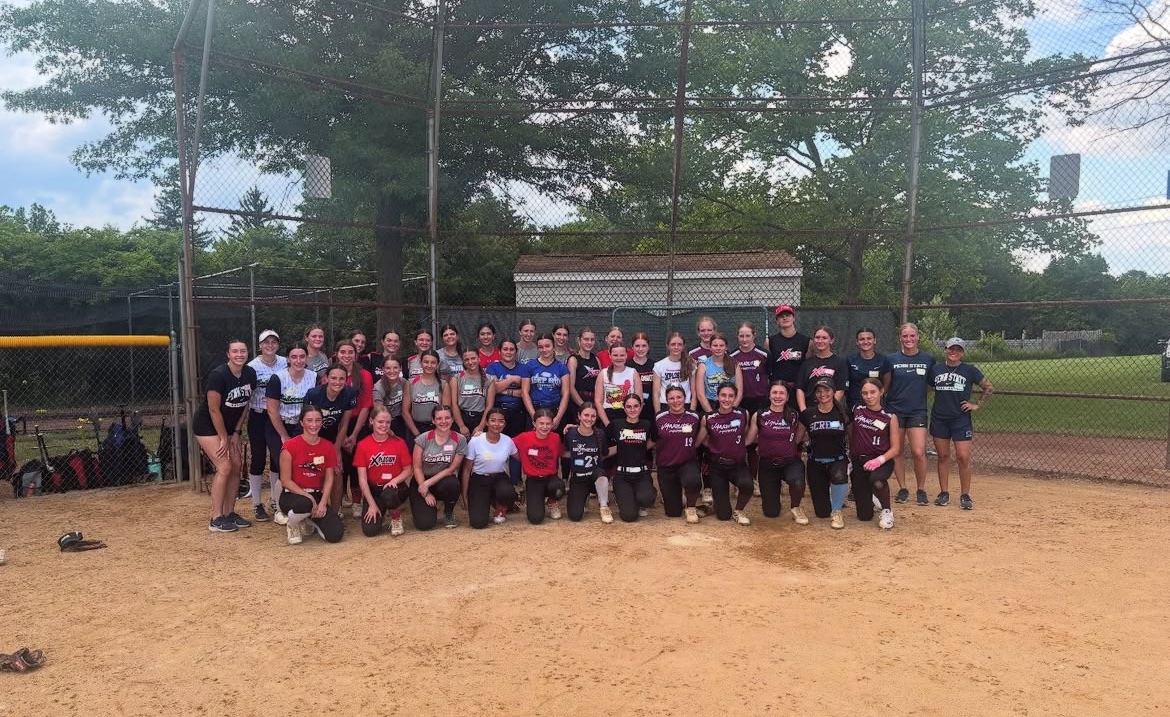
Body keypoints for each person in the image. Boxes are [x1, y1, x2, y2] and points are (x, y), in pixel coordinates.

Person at [193, 339, 257, 533]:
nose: (239, 355)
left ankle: (229, 513)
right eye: (235, 351)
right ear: (228, 354)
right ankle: (216, 518)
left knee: (236, 466)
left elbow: (245, 403)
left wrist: (236, 432)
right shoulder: (218, 375)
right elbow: (213, 410)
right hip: (207, 426)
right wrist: (223, 438)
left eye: (243, 351)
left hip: (230, 429)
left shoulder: (249, 373)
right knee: (225, 466)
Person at [929, 338, 994, 510]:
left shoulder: (969, 370)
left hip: (961, 419)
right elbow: (927, 387)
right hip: (940, 418)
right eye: (951, 349)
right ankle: (944, 493)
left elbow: (988, 387)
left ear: (962, 353)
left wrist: (977, 405)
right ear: (945, 349)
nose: (954, 352)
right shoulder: (936, 369)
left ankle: (965, 494)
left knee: (963, 456)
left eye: (958, 350)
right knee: (943, 456)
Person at [265, 341, 320, 525]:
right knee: (284, 467)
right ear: (287, 358)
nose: (298, 360)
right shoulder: (277, 378)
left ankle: (299, 505)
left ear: (306, 358)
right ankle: (278, 507)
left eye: (302, 356)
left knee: (301, 466)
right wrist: (284, 435)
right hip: (279, 426)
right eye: (294, 357)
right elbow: (272, 410)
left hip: (302, 428)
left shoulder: (313, 377)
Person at [277, 405, 344, 545]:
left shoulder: (327, 447)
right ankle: (293, 523)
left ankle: (307, 519)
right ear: (302, 423)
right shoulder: (290, 446)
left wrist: (323, 503)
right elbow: (285, 481)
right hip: (293, 495)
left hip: (316, 494)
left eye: (318, 420)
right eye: (309, 420)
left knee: (335, 535)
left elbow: (329, 478)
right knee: (305, 503)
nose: (314, 425)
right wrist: (307, 496)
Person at [886, 322, 935, 506]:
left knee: (918, 451)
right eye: (905, 336)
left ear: (918, 337)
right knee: (897, 451)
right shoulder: (891, 359)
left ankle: (921, 489)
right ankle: (903, 488)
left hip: (917, 411)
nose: (908, 339)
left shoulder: (928, 359)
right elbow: (886, 384)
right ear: (900, 338)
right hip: (895, 411)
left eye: (912, 336)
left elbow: (931, 383)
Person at [245, 329, 287, 522]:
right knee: (259, 459)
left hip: (278, 416)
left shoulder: (285, 362)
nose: (270, 345)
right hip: (258, 415)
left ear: (278, 344)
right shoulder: (251, 367)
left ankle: (275, 499)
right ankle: (256, 503)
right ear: (260, 345)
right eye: (266, 342)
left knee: (278, 459)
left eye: (273, 342)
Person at [849, 378, 902, 529]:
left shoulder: (889, 416)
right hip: (859, 463)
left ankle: (887, 511)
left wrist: (879, 460)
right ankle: (873, 497)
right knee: (864, 516)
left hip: (880, 462)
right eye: (865, 393)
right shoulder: (856, 410)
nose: (869, 396)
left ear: (881, 392)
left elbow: (896, 448)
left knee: (877, 481)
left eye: (873, 392)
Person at [353, 405, 413, 537]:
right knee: (370, 531)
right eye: (380, 422)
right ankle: (382, 509)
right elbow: (362, 479)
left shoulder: (399, 443)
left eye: (387, 422)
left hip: (395, 488)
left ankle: (396, 517)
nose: (384, 425)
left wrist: (394, 480)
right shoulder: (363, 445)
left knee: (389, 495)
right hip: (374, 489)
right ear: (371, 421)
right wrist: (371, 504)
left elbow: (408, 470)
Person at [753, 381, 808, 524]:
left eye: (782, 393)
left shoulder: (794, 415)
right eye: (774, 392)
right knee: (771, 512)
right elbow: (750, 439)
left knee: (797, 481)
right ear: (769, 395)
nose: (778, 396)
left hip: (789, 462)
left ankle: (796, 507)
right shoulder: (760, 415)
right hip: (767, 464)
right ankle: (774, 495)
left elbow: (799, 437)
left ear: (788, 397)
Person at [702, 383, 756, 525]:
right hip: (717, 467)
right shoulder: (709, 418)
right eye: (723, 395)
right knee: (724, 515)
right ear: (717, 396)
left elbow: (745, 435)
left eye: (731, 396)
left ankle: (739, 510)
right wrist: (716, 447)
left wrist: (736, 446)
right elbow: (702, 440)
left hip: (737, 465)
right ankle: (717, 505)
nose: (727, 399)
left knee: (747, 485)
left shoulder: (743, 414)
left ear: (735, 397)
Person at [332, 340, 374, 518]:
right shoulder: (331, 375)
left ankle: (357, 500)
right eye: (343, 352)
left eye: (351, 352)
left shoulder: (364, 375)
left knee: (358, 461)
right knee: (340, 463)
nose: (347, 356)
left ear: (356, 355)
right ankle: (339, 500)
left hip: (359, 423)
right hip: (337, 422)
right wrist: (342, 436)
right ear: (336, 354)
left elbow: (365, 405)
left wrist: (355, 434)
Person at [802, 377, 851, 529]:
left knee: (839, 476)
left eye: (827, 390)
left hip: (838, 459)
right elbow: (798, 437)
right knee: (822, 513)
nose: (823, 394)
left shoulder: (843, 412)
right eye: (819, 391)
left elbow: (852, 436)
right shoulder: (808, 413)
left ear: (834, 391)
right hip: (816, 461)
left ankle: (837, 510)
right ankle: (831, 499)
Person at [462, 408, 520, 528]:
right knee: (478, 523)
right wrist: (464, 496)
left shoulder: (508, 441)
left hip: (499, 477)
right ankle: (484, 501)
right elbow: (467, 470)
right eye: (493, 420)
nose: (497, 424)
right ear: (486, 422)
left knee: (508, 492)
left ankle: (500, 507)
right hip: (480, 478)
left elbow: (521, 458)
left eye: (501, 421)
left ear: (505, 424)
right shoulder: (475, 441)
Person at [410, 406, 466, 530]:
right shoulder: (423, 438)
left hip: (443, 479)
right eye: (439, 418)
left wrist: (428, 483)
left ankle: (448, 512)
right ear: (433, 420)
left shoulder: (460, 439)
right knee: (424, 524)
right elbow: (417, 467)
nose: (443, 421)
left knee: (452, 484)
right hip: (421, 479)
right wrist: (426, 492)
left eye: (447, 418)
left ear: (452, 419)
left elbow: (452, 469)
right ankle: (430, 508)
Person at [654, 386, 703, 523]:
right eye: (671, 398)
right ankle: (679, 496)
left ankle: (691, 507)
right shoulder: (659, 418)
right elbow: (653, 440)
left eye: (679, 397)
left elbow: (701, 435)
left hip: (687, 462)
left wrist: (692, 447)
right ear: (666, 400)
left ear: (685, 398)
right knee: (673, 513)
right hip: (666, 466)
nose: (676, 401)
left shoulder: (694, 417)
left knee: (693, 481)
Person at [605, 395, 656, 522]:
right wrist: (575, 427)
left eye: (636, 406)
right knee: (629, 516)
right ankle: (622, 498)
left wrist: (640, 447)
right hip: (622, 475)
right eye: (628, 407)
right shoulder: (616, 424)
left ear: (641, 407)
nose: (632, 410)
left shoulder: (647, 424)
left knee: (647, 499)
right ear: (624, 408)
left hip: (641, 473)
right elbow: (598, 435)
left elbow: (655, 439)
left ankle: (639, 498)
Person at [486, 340, 527, 485]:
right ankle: (495, 481)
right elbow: (493, 389)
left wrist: (502, 388)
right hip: (498, 411)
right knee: (496, 446)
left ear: (516, 352)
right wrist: (512, 380)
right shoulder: (493, 367)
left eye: (511, 349)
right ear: (500, 351)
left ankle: (515, 482)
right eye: (505, 349)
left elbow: (524, 392)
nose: (508, 352)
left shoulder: (523, 368)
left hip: (518, 412)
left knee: (515, 447)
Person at [562, 403, 611, 523]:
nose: (589, 419)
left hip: (595, 474)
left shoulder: (600, 434)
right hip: (578, 477)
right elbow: (565, 452)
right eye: (586, 415)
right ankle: (584, 497)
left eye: (593, 416)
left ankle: (604, 506)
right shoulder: (570, 433)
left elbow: (605, 453)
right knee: (575, 516)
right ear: (579, 415)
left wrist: (623, 446)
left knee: (602, 475)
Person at [514, 409, 565, 524]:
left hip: (551, 478)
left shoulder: (556, 437)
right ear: (534, 424)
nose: (545, 427)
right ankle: (537, 501)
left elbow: (562, 452)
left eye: (548, 423)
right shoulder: (524, 437)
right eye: (541, 423)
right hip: (533, 479)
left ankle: (551, 501)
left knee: (558, 488)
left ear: (552, 424)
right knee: (536, 518)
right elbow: (506, 443)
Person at [304, 365, 356, 469]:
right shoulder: (314, 394)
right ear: (326, 378)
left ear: (346, 380)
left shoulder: (349, 394)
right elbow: (307, 423)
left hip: (332, 434)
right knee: (315, 466)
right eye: (333, 378)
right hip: (311, 433)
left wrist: (336, 450)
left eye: (341, 379)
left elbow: (344, 424)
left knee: (337, 468)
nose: (337, 382)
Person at [521, 333, 570, 430]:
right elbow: (524, 392)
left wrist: (558, 417)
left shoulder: (561, 367)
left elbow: (566, 393)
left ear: (553, 346)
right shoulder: (529, 366)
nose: (544, 350)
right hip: (535, 408)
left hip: (554, 410)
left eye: (547, 346)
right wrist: (534, 416)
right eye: (540, 347)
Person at [766, 305, 810, 410]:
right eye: (781, 316)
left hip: (798, 389)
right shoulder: (770, 341)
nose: (785, 318)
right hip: (779, 390)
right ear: (777, 321)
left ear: (793, 318)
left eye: (788, 315)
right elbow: (768, 367)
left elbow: (809, 367)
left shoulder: (806, 341)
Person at [796, 326, 848, 412]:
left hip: (830, 410)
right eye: (817, 337)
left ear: (831, 340)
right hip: (810, 409)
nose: (820, 341)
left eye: (824, 338)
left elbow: (840, 389)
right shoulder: (807, 363)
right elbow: (800, 388)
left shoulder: (840, 363)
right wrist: (803, 410)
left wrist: (828, 408)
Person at [402, 350, 448, 441]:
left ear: (438, 364)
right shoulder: (411, 383)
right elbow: (405, 411)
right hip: (415, 428)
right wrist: (416, 433)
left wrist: (438, 431)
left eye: (433, 363)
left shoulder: (444, 385)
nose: (429, 365)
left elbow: (446, 412)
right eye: (426, 362)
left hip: (437, 429)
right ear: (421, 363)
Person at [695, 333, 743, 414]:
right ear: (710, 347)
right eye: (715, 345)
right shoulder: (703, 365)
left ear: (726, 347)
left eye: (721, 345)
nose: (718, 348)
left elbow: (739, 393)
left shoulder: (734, 364)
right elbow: (700, 395)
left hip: (729, 404)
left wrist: (731, 411)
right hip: (710, 405)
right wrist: (711, 414)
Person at [846, 327, 893, 410]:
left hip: (877, 405)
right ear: (857, 342)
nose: (865, 342)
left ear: (875, 340)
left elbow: (886, 383)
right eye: (862, 339)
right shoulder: (850, 360)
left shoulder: (883, 360)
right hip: (855, 405)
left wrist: (878, 396)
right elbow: (845, 384)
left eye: (869, 338)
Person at [451, 348, 493, 437]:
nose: (470, 362)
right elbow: (454, 404)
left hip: (480, 418)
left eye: (473, 358)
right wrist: (461, 426)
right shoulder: (456, 378)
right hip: (461, 418)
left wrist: (481, 426)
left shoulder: (489, 379)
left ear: (479, 358)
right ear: (463, 361)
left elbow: (489, 405)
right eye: (466, 359)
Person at [652, 332, 696, 413]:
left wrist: (692, 412)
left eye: (679, 344)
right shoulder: (659, 365)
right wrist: (658, 414)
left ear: (683, 346)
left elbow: (694, 392)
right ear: (667, 346)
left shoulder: (691, 364)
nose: (676, 347)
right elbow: (656, 394)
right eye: (673, 344)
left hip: (685, 405)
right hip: (665, 405)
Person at [596, 344, 638, 428]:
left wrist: (632, 421)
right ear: (610, 356)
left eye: (622, 355)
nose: (619, 358)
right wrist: (608, 425)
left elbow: (639, 400)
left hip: (627, 416)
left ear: (626, 355)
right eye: (615, 355)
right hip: (608, 417)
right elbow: (598, 402)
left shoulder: (633, 372)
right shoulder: (603, 373)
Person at [566, 327, 601, 427]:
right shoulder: (573, 359)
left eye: (592, 340)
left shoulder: (596, 359)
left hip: (594, 402)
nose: (589, 342)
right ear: (579, 340)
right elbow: (571, 387)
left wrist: (596, 406)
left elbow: (600, 385)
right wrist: (583, 407)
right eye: (586, 339)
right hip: (578, 402)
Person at [371, 356, 406, 439]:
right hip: (385, 423)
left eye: (395, 368)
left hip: (401, 421)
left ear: (400, 368)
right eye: (388, 368)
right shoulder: (378, 387)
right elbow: (379, 412)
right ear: (383, 369)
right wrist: (389, 431)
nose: (392, 371)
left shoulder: (404, 382)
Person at [628, 332, 657, 423]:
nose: (640, 349)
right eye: (637, 346)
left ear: (648, 347)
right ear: (632, 347)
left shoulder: (655, 366)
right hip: (632, 410)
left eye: (644, 346)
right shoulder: (627, 366)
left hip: (651, 409)